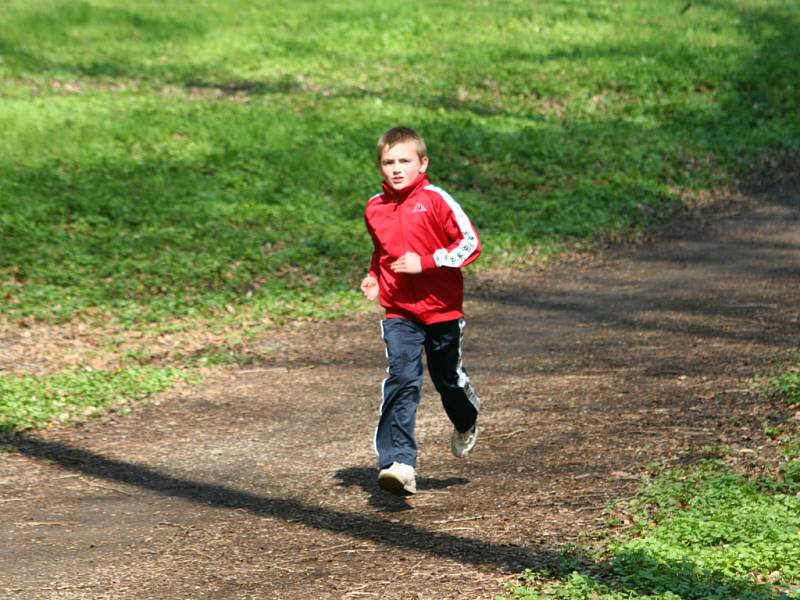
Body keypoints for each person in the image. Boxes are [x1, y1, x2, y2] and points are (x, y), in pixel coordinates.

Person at [360, 126, 482, 496]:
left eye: (404, 161)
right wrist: (373, 276)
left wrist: (427, 262)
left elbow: (471, 244)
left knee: (448, 381)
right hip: (399, 310)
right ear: (380, 168)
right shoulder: (374, 207)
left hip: (442, 310)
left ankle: (467, 418)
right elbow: (381, 251)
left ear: (422, 163)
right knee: (402, 377)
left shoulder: (436, 200)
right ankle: (399, 463)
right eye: (388, 162)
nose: (396, 169)